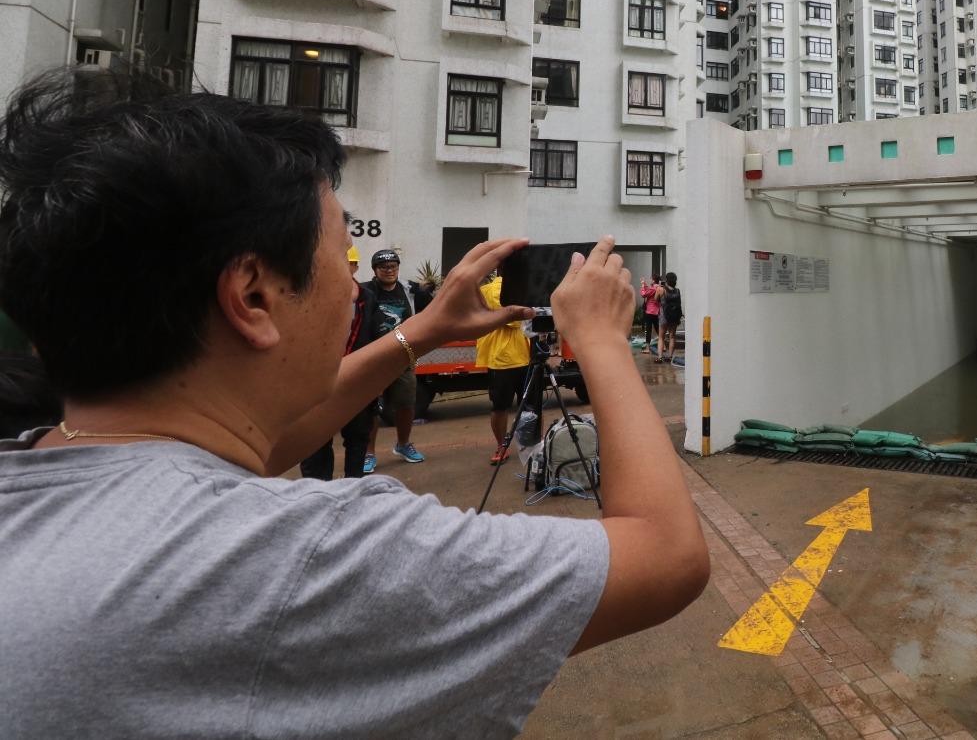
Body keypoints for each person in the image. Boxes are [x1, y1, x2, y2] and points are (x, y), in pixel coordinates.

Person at [0, 70, 708, 738]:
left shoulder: (35, 470)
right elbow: (666, 554)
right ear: (252, 295)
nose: (352, 287)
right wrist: (604, 342)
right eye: (341, 259)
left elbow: (253, 445)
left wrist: (424, 329)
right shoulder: (306, 557)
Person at [298, 246, 374, 480]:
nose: (342, 268)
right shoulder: (309, 295)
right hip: (317, 384)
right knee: (315, 443)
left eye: (348, 263)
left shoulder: (367, 298)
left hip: (356, 381)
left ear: (355, 267)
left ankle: (354, 490)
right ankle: (318, 492)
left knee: (357, 439)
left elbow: (373, 337)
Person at [361, 248, 423, 470]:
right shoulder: (365, 291)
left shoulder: (409, 290)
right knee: (371, 407)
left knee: (406, 404)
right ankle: (368, 453)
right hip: (374, 358)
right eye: (384, 267)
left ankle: (403, 444)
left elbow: (431, 308)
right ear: (375, 270)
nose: (389, 271)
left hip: (402, 357)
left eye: (393, 266)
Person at [476, 270, 531, 466]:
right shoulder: (492, 290)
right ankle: (505, 446)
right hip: (505, 359)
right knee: (503, 406)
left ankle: (515, 445)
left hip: (522, 355)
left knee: (517, 406)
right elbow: (514, 318)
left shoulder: (520, 288)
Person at [657, 272, 682, 365]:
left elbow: (656, 300)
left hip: (664, 316)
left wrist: (659, 289)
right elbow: (679, 304)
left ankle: (660, 357)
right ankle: (670, 357)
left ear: (667, 280)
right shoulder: (677, 291)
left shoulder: (661, 290)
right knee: (672, 337)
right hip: (674, 316)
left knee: (661, 337)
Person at [640, 274, 660, 353]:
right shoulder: (658, 287)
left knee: (648, 329)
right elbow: (648, 290)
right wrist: (644, 284)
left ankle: (647, 348)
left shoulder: (653, 288)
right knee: (657, 329)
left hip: (650, 311)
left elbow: (644, 294)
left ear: (654, 280)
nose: (650, 280)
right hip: (656, 311)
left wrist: (642, 285)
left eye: (651, 278)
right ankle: (664, 346)